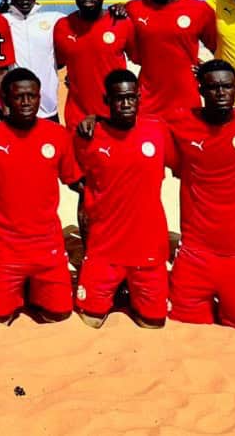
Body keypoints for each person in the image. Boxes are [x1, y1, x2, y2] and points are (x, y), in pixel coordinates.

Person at [163, 60, 235, 329]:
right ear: (201, 90)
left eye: (227, 87)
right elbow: (135, 122)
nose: (221, 93)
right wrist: (94, 119)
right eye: (213, 87)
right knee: (184, 322)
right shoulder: (180, 122)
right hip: (194, 252)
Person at [0, 68, 82, 324]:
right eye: (18, 96)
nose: (25, 102)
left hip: (47, 245)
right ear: (5, 99)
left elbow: (75, 181)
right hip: (6, 247)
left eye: (32, 96)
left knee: (58, 314)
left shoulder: (57, 135)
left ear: (39, 97)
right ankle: (19, 288)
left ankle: (34, 289)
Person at [73, 70, 170, 329]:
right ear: (107, 100)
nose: (126, 103)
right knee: (90, 319)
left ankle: (130, 290)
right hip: (104, 249)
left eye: (131, 97)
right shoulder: (88, 135)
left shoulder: (158, 130)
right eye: (118, 98)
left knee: (153, 322)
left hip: (148, 249)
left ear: (139, 98)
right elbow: (72, 176)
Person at [125, 0, 217, 118]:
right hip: (147, 104)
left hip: (188, 103)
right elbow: (130, 53)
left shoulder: (199, 9)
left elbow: (217, 49)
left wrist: (206, 70)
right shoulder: (133, 9)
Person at [54, 0, 135, 130]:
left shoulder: (121, 22)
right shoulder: (63, 26)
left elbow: (139, 58)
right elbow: (60, 64)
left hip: (115, 117)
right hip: (78, 118)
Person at [0, 0, 65, 121]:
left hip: (48, 110)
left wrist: (115, 11)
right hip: (13, 110)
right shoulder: (0, 21)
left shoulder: (55, 20)